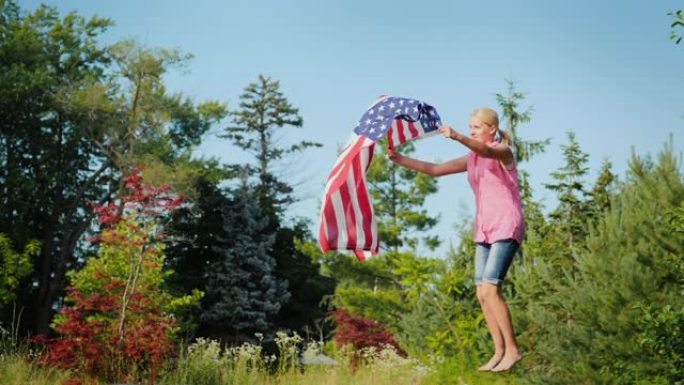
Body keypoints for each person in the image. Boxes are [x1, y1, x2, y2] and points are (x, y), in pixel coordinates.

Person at [388, 107, 524, 372]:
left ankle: (513, 350)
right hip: (485, 229)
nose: (472, 131)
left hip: (506, 225)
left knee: (490, 289)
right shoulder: (472, 158)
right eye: (470, 127)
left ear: (491, 129)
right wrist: (400, 159)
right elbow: (436, 170)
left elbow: (487, 151)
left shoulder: (503, 151)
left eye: (476, 127)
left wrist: (458, 136)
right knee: (481, 293)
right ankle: (499, 350)